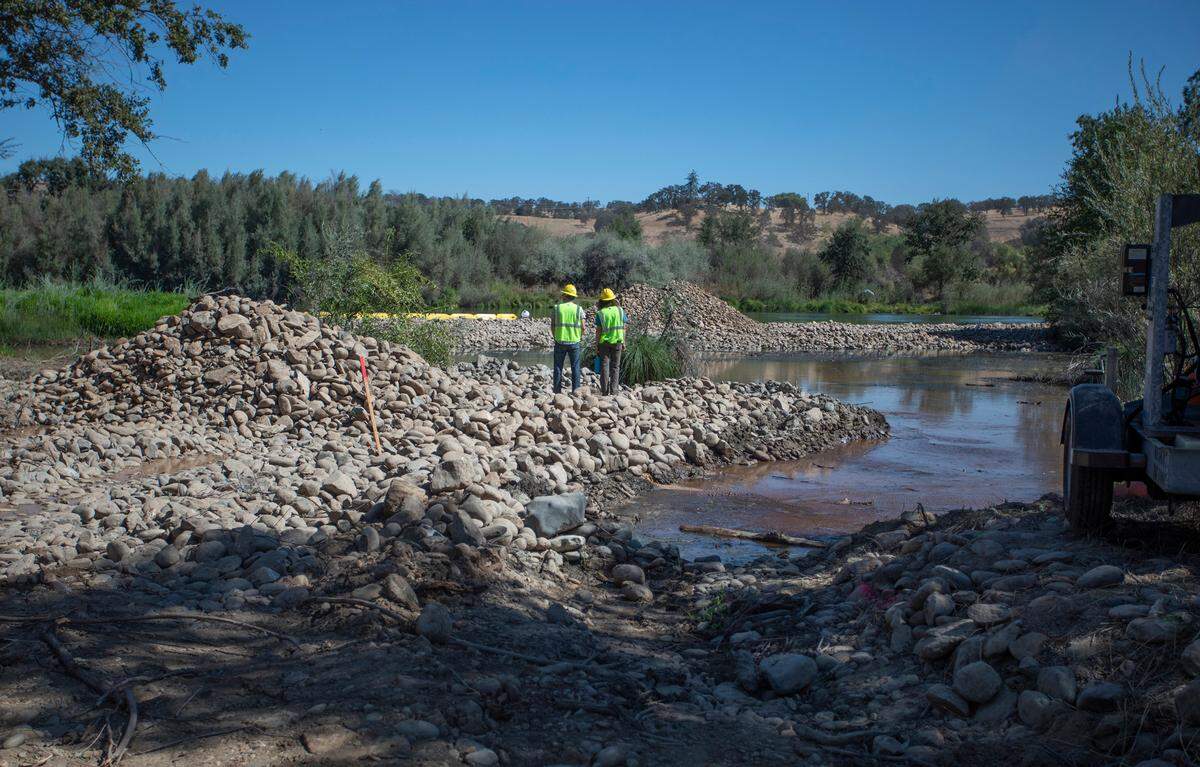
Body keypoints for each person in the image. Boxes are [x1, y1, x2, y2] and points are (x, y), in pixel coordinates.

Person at [550, 284, 583, 394]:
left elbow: (553, 325)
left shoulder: (557, 308)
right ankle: (576, 392)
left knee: (558, 367)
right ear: (573, 296)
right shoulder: (579, 309)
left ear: (564, 295)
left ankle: (557, 392)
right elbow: (583, 327)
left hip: (560, 341)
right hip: (575, 341)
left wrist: (556, 337)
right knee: (575, 368)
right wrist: (579, 337)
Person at [594, 287, 627, 395]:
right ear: (613, 299)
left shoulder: (600, 313)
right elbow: (624, 328)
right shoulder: (620, 310)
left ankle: (604, 392)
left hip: (604, 343)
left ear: (602, 301)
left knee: (604, 366)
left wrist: (596, 346)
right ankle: (614, 391)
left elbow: (598, 332)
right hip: (617, 341)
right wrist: (624, 342)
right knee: (615, 367)